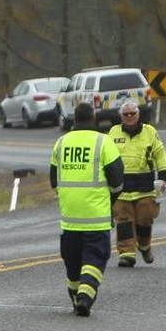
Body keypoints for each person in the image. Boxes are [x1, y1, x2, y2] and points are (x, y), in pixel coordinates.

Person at [50, 102, 125, 317]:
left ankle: (75, 297)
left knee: (72, 262)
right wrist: (109, 199)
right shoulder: (104, 142)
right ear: (94, 118)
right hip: (96, 217)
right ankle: (85, 297)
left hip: (69, 218)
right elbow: (118, 181)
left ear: (74, 119)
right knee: (95, 258)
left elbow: (53, 180)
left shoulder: (61, 143)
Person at [105, 102, 166, 267]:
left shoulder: (150, 132)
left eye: (132, 113)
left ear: (138, 115)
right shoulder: (113, 132)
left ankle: (144, 245)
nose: (129, 117)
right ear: (121, 117)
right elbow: (106, 157)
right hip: (121, 188)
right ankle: (126, 254)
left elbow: (159, 154)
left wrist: (164, 176)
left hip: (145, 187)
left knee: (145, 218)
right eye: (125, 114)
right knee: (123, 220)